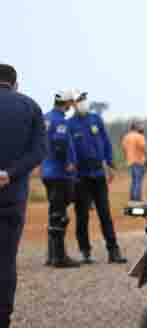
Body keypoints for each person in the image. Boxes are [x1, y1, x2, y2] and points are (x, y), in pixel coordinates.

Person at [0, 64, 47, 328]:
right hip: (12, 195)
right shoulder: (29, 106)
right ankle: (1, 327)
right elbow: (39, 151)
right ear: (15, 84)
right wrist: (9, 173)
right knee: (5, 261)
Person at [67, 90, 127, 264]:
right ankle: (85, 251)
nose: (83, 102)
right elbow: (69, 150)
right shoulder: (69, 124)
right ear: (72, 104)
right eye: (79, 100)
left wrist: (110, 164)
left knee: (105, 213)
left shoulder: (95, 119)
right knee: (82, 215)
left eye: (84, 98)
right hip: (81, 177)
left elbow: (106, 142)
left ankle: (113, 251)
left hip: (98, 174)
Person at [41, 90, 81, 268]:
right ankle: (59, 257)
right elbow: (60, 142)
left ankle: (52, 255)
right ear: (67, 103)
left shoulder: (46, 118)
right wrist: (68, 162)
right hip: (59, 173)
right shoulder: (60, 121)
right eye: (72, 102)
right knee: (60, 216)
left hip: (47, 171)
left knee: (53, 214)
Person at [122, 120, 147, 203]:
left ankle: (132, 198)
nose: (141, 127)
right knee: (138, 181)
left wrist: (126, 158)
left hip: (130, 161)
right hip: (139, 161)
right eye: (139, 126)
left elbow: (124, 149)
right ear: (136, 127)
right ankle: (137, 199)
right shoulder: (139, 136)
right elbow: (144, 148)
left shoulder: (126, 137)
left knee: (134, 181)